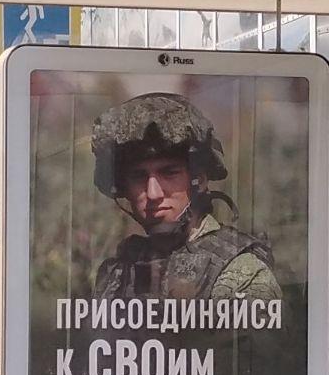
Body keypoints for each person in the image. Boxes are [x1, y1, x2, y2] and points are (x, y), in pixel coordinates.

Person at [87, 92, 282, 303]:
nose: (153, 193)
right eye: (139, 177)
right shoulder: (116, 275)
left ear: (200, 180)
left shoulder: (240, 275)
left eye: (169, 173)